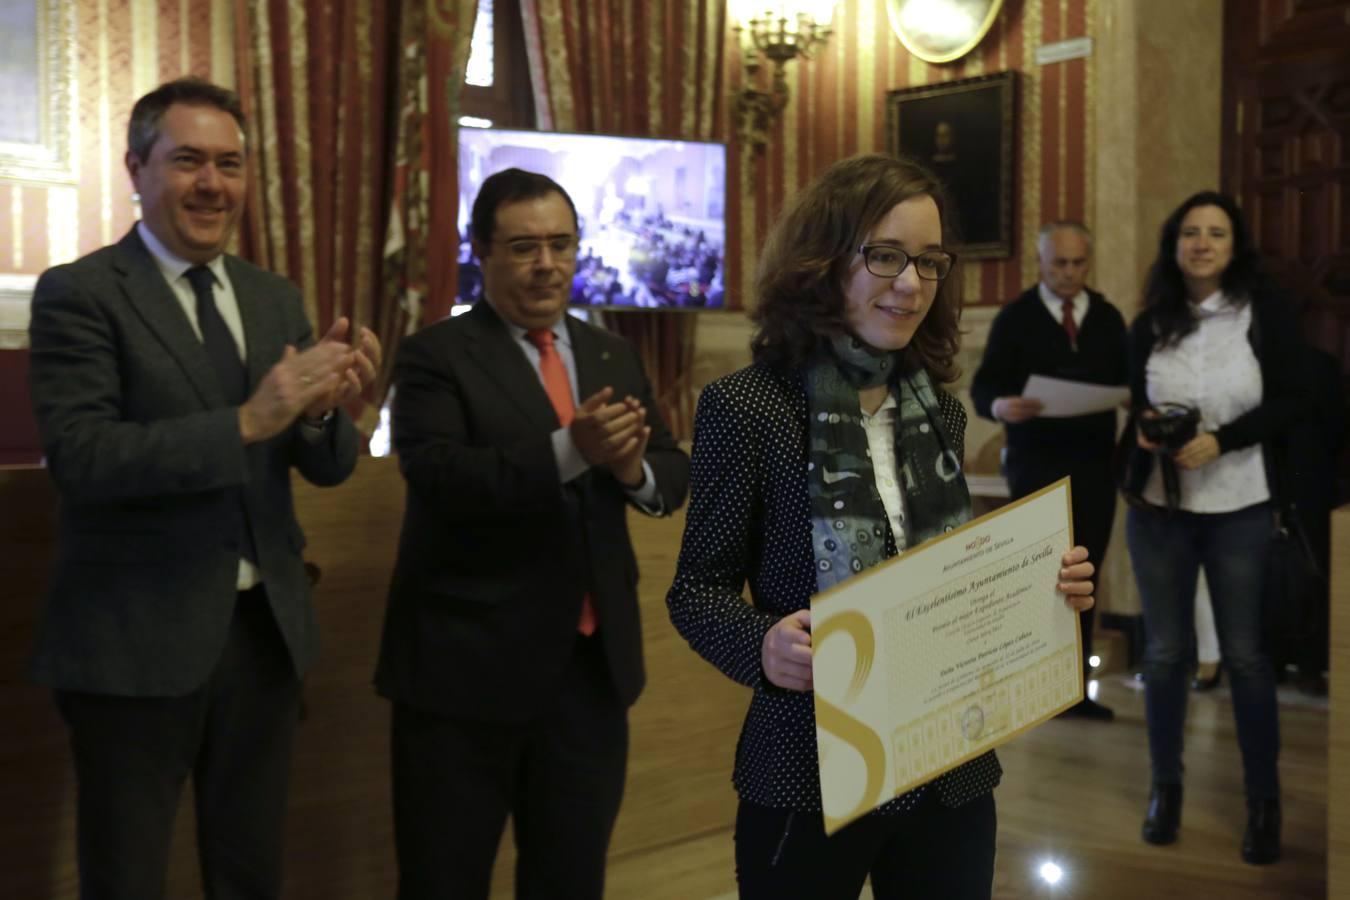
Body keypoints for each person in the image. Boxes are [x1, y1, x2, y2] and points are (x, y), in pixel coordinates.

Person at [665, 154, 1096, 899]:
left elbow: (948, 591)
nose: (911, 284)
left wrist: (1043, 588)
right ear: (823, 260)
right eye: (886, 255)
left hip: (951, 768)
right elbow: (696, 591)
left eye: (929, 262)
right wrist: (762, 647)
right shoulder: (748, 407)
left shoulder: (940, 412)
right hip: (808, 770)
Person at [25, 77, 380, 899]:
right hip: (130, 645)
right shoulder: (81, 294)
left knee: (250, 869)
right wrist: (252, 420)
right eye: (187, 161)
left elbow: (324, 466)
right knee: (127, 875)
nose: (212, 184)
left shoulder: (272, 297)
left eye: (230, 163)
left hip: (264, 637)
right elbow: (83, 458)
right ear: (137, 169)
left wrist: (330, 414)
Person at [375, 168, 690, 899]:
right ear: (480, 252)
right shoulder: (435, 356)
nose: (546, 264)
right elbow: (441, 478)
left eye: (560, 244)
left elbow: (670, 471)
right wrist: (571, 448)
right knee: (444, 881)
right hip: (464, 681)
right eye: (523, 247)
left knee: (570, 880)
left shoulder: (611, 353)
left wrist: (633, 467)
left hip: (588, 676)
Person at [1119, 190, 1310, 865]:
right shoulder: (1148, 323)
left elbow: (1293, 399)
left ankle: (1264, 802)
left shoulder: (1265, 314)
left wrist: (1223, 439)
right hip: (1159, 509)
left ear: (1235, 247)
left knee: (1249, 659)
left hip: (1241, 504)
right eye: (1190, 233)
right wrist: (1144, 433)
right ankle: (1163, 788)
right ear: (1175, 245)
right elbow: (1136, 403)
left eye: (1216, 234)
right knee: (1165, 656)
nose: (1202, 244)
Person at [971, 221, 1127, 721]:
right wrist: (1001, 406)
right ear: (1041, 263)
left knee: (1086, 574)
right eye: (1059, 263)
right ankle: (1035, 690)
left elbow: (1130, 380)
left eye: (1078, 262)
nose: (1069, 272)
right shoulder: (1017, 318)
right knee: (1041, 574)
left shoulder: (1106, 317)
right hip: (1036, 464)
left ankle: (1075, 689)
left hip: (1095, 465)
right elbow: (984, 387)